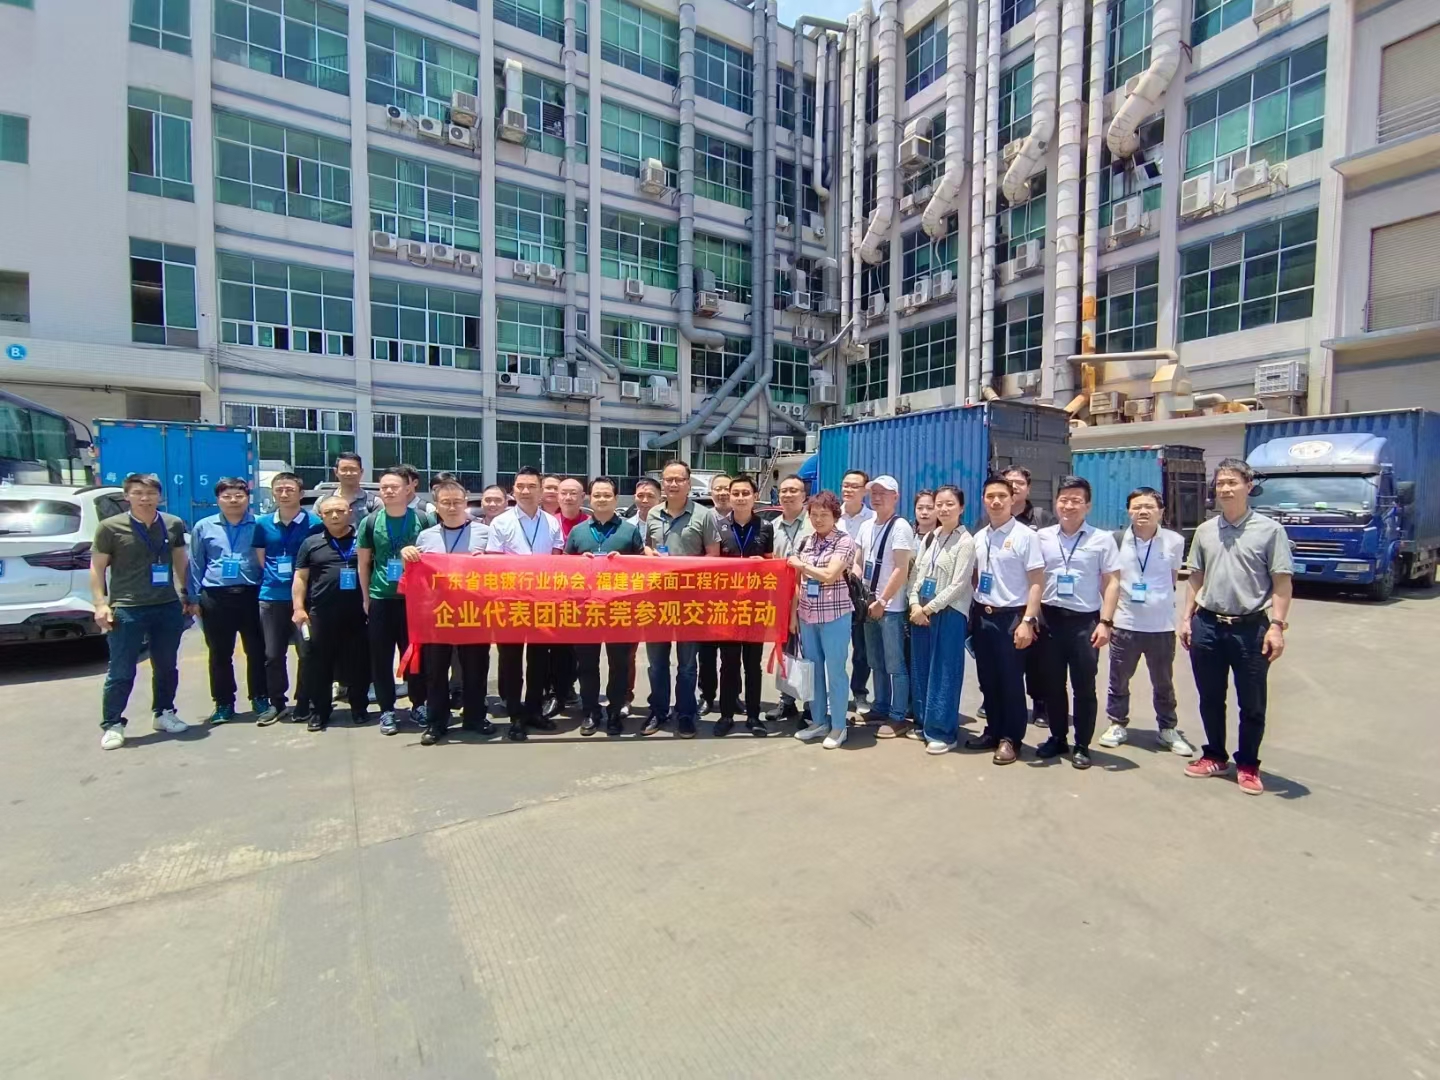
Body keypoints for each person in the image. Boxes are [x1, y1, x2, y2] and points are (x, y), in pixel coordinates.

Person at [1180, 459, 1293, 795]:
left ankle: (1248, 764)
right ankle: (1214, 755)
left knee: (1252, 702)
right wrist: (1186, 618)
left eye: (1232, 482)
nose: (1226, 489)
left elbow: (1282, 582)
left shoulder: (1270, 531)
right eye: (1220, 483)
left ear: (1248, 486)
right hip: (1208, 625)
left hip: (1250, 628)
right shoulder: (1205, 531)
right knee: (1210, 697)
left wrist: (1277, 626)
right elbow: (1195, 577)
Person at [91, 473, 191, 749]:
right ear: (127, 496)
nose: (145, 499)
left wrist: (187, 593)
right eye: (137, 493)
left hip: (166, 605)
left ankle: (164, 712)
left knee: (166, 666)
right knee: (121, 670)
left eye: (150, 493)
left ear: (160, 496)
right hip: (127, 608)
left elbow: (181, 561)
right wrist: (100, 604)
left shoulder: (172, 524)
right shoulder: (110, 527)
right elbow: (97, 567)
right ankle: (113, 723)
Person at [1099, 488, 1195, 756]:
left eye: (1149, 507)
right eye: (1137, 507)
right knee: (1119, 679)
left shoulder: (1175, 541)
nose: (1143, 511)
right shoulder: (1115, 540)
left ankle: (1167, 728)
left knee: (1163, 682)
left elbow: (1172, 578)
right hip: (1125, 624)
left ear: (1161, 511)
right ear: (1128, 511)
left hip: (1161, 627)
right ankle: (1117, 723)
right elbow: (1108, 581)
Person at [1034, 476, 1121, 770]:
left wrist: (1106, 622)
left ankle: (1082, 744)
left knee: (1084, 686)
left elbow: (1112, 581)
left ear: (1088, 506)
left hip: (1085, 623)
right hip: (1049, 620)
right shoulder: (1042, 537)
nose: (1069, 506)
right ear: (1056, 503)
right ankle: (1058, 737)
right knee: (1052, 685)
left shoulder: (1102, 539)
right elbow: (1032, 577)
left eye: (1076, 500)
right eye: (1064, 500)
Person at [400, 478, 492, 745]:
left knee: (476, 668)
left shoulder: (484, 533)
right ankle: (436, 722)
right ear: (436, 506)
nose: (452, 507)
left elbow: (499, 569)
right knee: (435, 670)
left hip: (473, 611)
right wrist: (407, 555)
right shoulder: (426, 537)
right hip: (437, 614)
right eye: (446, 503)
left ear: (466, 503)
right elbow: (414, 575)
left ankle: (475, 717)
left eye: (457, 502)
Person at [967, 475, 1044, 765]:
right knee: (988, 679)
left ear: (1013, 499)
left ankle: (1011, 739)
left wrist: (1028, 620)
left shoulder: (1026, 536)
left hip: (1012, 618)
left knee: (1011, 681)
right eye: (990, 497)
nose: (996, 502)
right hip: (983, 616)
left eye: (1002, 496)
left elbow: (1036, 581)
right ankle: (993, 731)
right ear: (983, 501)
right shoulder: (979, 537)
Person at [642, 460, 720, 738]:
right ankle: (658, 711)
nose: (673, 484)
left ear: (688, 483)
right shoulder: (653, 513)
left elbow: (714, 555)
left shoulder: (704, 515)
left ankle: (686, 714)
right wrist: (650, 555)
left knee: (687, 665)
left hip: (690, 600)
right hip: (657, 600)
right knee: (657, 663)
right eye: (668, 479)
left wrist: (685, 569)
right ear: (662, 483)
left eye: (679, 479)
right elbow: (648, 548)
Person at [564, 476, 646, 736]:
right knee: (587, 665)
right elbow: (563, 570)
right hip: (586, 610)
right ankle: (590, 711)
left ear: (615, 498)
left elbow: (644, 570)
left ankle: (614, 712)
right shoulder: (578, 532)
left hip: (619, 609)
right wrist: (579, 563)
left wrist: (625, 562)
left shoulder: (629, 531)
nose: (601, 499)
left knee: (619, 664)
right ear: (589, 498)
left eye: (607, 495)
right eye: (597, 495)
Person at [488, 466, 563, 741]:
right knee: (510, 661)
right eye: (520, 486)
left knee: (539, 660)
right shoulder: (500, 522)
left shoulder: (552, 522)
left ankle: (534, 709)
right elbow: (494, 564)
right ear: (513, 490)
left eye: (532, 486)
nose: (526, 491)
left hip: (542, 601)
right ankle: (515, 715)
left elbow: (557, 561)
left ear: (541, 491)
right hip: (511, 602)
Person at [357, 467, 434, 736]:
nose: (388, 491)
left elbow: (433, 558)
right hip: (381, 597)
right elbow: (363, 563)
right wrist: (366, 598)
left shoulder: (423, 519)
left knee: (414, 656)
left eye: (395, 486)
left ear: (408, 489)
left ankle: (418, 704)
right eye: (384, 487)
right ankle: (387, 709)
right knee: (381, 657)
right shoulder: (370, 522)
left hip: (414, 600)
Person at [187, 477, 267, 724]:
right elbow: (195, 563)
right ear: (218, 499)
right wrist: (193, 598)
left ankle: (260, 697)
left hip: (252, 594)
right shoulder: (204, 526)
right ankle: (223, 703)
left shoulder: (259, 524)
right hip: (216, 596)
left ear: (247, 498)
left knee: (257, 650)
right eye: (227, 496)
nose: (233, 500)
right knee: (220, 653)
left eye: (239, 496)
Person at [291, 496, 370, 731]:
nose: (334, 516)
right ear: (321, 516)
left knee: (359, 663)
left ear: (350, 513)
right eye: (328, 512)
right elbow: (301, 577)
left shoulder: (362, 540)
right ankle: (320, 711)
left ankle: (359, 707)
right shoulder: (311, 543)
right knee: (319, 664)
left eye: (340, 511)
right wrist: (298, 607)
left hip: (358, 613)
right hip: (321, 614)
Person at [908, 485, 976, 754]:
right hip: (921, 611)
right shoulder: (931, 537)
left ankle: (943, 732)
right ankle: (924, 722)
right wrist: (914, 603)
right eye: (939, 504)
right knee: (922, 667)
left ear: (961, 508)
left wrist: (928, 609)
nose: (943, 509)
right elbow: (917, 575)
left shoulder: (965, 541)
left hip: (949, 612)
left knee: (945, 671)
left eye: (950, 504)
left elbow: (959, 584)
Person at [788, 491, 858, 750]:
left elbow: (829, 575)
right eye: (814, 514)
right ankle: (818, 721)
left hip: (835, 615)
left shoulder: (844, 541)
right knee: (813, 669)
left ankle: (839, 725)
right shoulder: (806, 541)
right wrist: (793, 614)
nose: (818, 519)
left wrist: (801, 566)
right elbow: (797, 582)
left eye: (824, 515)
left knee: (836, 671)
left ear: (835, 516)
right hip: (807, 615)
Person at [253, 472, 323, 726]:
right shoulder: (262, 524)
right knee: (273, 654)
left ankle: (304, 700)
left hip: (307, 599)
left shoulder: (315, 523)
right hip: (272, 597)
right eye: (279, 490)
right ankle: (277, 703)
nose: (284, 494)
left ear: (301, 494)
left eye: (290, 490)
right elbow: (262, 558)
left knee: (307, 653)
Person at [855, 476, 915, 738]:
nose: (877, 497)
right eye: (874, 492)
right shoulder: (866, 525)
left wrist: (883, 600)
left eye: (883, 493)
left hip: (890, 608)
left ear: (896, 497)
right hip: (868, 605)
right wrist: (859, 591)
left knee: (895, 664)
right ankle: (880, 706)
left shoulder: (900, 527)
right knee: (875, 660)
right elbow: (859, 561)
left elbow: (901, 568)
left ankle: (898, 716)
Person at [715, 474, 774, 737]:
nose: (740, 498)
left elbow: (772, 563)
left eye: (745, 493)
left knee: (752, 664)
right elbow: (710, 563)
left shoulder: (765, 527)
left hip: (755, 606)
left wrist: (764, 566)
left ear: (754, 497)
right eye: (735, 493)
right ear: (729, 496)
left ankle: (753, 716)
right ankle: (726, 715)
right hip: (726, 606)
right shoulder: (718, 526)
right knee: (728, 663)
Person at [1004, 465, 1056, 728]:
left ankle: (1040, 704)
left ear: (1028, 488)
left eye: (1019, 483)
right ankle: (996, 700)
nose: (1014, 487)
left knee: (1038, 658)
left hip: (1036, 601)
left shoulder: (1043, 519)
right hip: (1004, 601)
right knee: (1003, 657)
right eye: (1009, 482)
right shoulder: (990, 519)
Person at [765, 475, 814, 726]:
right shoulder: (772, 527)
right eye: (783, 490)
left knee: (810, 652)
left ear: (804, 496)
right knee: (785, 651)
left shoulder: (815, 523)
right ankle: (787, 700)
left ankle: (812, 705)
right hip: (782, 599)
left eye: (793, 490)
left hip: (812, 598)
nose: (787, 495)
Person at [622, 476, 662, 715]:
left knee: (659, 657)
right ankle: (625, 698)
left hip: (662, 597)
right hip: (631, 597)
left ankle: (660, 703)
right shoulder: (624, 526)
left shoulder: (666, 524)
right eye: (640, 496)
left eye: (650, 496)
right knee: (627, 653)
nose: (645, 500)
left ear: (660, 498)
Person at [549, 476, 589, 712]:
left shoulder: (589, 523)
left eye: (574, 493)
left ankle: (571, 688)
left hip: (583, 598)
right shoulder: (548, 522)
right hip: (551, 596)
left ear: (583, 497)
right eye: (563, 493)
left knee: (579, 650)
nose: (568, 497)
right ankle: (556, 691)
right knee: (555, 648)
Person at [838, 469, 875, 709]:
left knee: (862, 647)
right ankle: (835, 693)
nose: (848, 490)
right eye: (845, 485)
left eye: (854, 486)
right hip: (833, 588)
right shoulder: (832, 515)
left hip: (860, 591)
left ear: (865, 491)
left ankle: (859, 692)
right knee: (836, 647)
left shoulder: (873, 519)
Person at [697, 473, 733, 714]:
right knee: (707, 653)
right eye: (717, 489)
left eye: (726, 488)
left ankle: (733, 696)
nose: (722, 493)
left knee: (732, 654)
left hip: (735, 598)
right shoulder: (702, 518)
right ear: (711, 493)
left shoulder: (742, 519)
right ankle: (707, 696)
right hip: (706, 596)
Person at [333, 451, 377, 524]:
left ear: (361, 472)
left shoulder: (374, 503)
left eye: (353, 469)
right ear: (336, 472)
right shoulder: (324, 501)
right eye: (344, 469)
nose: (348, 473)